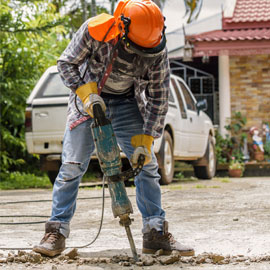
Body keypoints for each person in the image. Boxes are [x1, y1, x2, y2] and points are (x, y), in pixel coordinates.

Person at [33, 0, 194, 257]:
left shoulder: (156, 48)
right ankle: (56, 232)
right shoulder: (95, 31)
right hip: (89, 101)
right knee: (72, 166)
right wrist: (86, 94)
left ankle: (155, 233)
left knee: (147, 166)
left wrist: (146, 140)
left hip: (128, 102)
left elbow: (159, 97)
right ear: (122, 29)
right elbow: (66, 64)